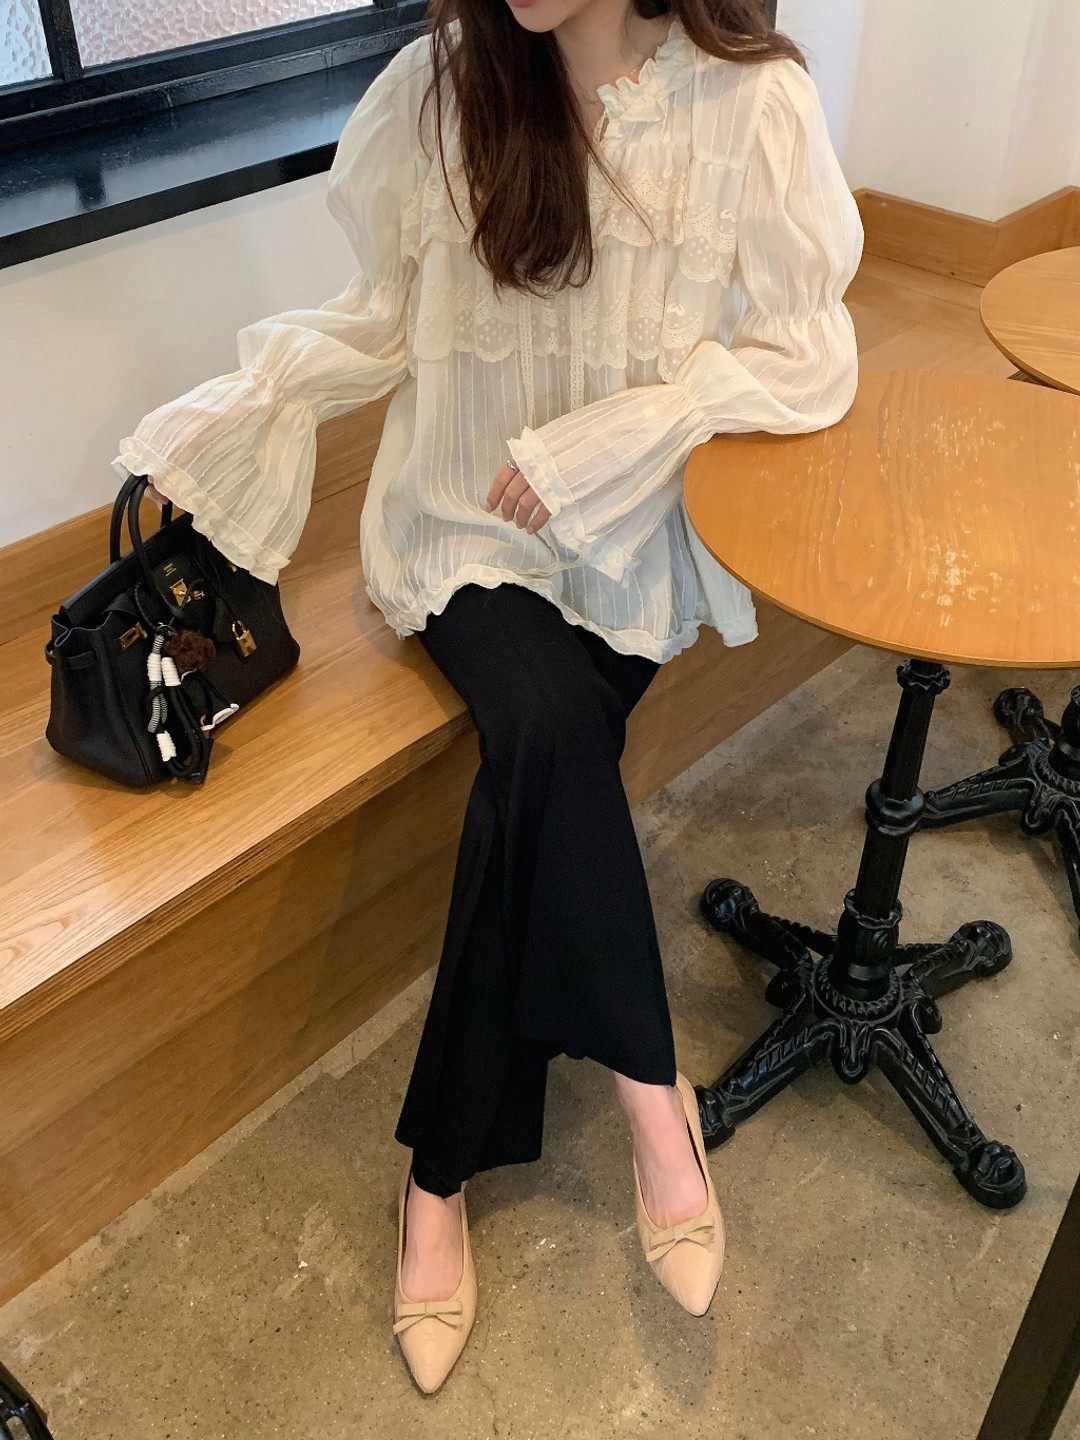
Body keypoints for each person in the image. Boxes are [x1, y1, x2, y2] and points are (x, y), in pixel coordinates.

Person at [114, 0, 863, 1395]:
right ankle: (648, 1096)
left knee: (537, 764)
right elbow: (385, 320)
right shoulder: (440, 92)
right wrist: (252, 396)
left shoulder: (751, 105)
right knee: (547, 726)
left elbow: (812, 352)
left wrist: (631, 431)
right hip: (464, 523)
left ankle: (439, 1176)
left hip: (625, 534)